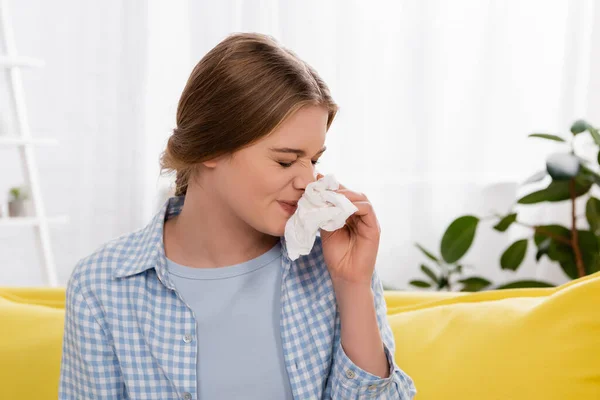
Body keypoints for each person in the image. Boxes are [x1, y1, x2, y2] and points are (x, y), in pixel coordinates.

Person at [58, 32, 416, 399]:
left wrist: (353, 285)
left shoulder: (333, 262)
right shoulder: (103, 286)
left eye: (314, 160)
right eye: (285, 160)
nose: (308, 180)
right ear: (210, 147)